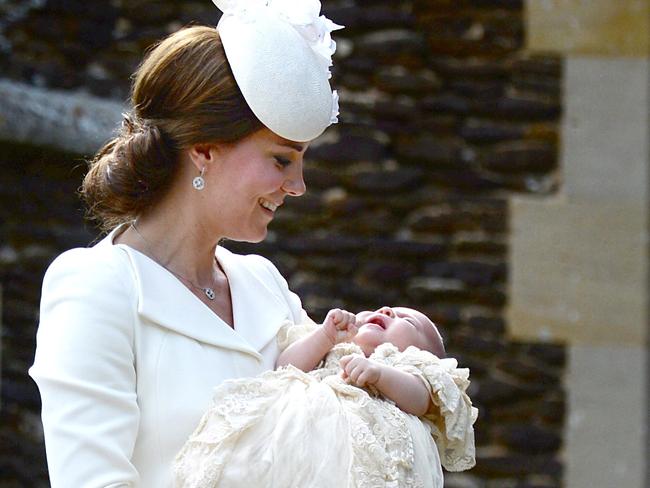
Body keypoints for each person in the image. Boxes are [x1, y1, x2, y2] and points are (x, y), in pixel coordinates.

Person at [29, 1, 343, 486]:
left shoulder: (264, 284)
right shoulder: (98, 286)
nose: (298, 186)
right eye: (282, 160)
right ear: (204, 151)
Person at [173, 306, 477, 488]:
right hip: (288, 441)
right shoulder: (335, 349)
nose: (386, 311)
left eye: (407, 321)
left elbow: (420, 398)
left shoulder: (408, 368)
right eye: (380, 309)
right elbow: (284, 366)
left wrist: (380, 374)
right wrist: (324, 337)